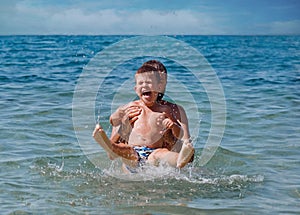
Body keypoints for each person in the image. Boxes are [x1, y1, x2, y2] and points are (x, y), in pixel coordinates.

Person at [93, 60, 194, 171]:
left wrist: (172, 130)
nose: (146, 85)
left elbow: (189, 153)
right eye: (142, 82)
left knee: (161, 154)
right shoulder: (130, 109)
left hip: (155, 156)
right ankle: (107, 144)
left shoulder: (170, 110)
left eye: (154, 81)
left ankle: (178, 160)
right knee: (128, 151)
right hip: (132, 158)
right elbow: (111, 154)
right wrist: (123, 127)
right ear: (136, 89)